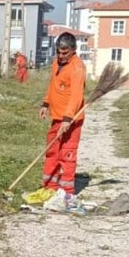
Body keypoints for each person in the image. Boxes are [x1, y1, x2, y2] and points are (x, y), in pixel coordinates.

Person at [39, 33, 86, 199]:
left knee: (67, 153)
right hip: (57, 117)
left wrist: (67, 119)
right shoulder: (55, 63)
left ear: (73, 50)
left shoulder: (77, 67)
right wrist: (46, 103)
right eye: (58, 52)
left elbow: (76, 96)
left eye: (65, 53)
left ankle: (67, 191)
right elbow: (53, 85)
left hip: (71, 119)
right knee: (52, 151)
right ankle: (49, 186)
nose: (61, 55)